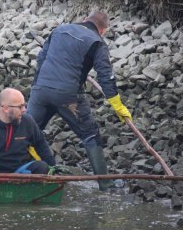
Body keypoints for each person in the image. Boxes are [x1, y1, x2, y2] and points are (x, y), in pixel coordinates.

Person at [27, 10, 132, 191]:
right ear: (104, 30)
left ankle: (13, 174)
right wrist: (118, 105)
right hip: (69, 96)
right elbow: (106, 76)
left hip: (41, 91)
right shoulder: (97, 43)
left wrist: (37, 87)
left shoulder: (60, 30)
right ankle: (105, 184)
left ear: (84, 20)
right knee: (90, 134)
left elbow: (41, 59)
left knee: (26, 132)